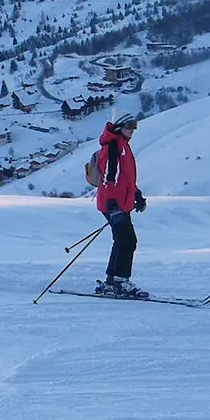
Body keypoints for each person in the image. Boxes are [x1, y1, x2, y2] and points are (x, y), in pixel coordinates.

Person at [94, 112, 148, 298]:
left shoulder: (122, 145)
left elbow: (125, 178)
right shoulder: (113, 148)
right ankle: (120, 281)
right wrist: (112, 206)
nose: (132, 130)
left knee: (122, 241)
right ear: (119, 127)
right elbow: (110, 180)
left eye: (134, 127)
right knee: (128, 241)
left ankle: (112, 281)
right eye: (129, 126)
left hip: (120, 203)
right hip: (114, 204)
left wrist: (137, 196)